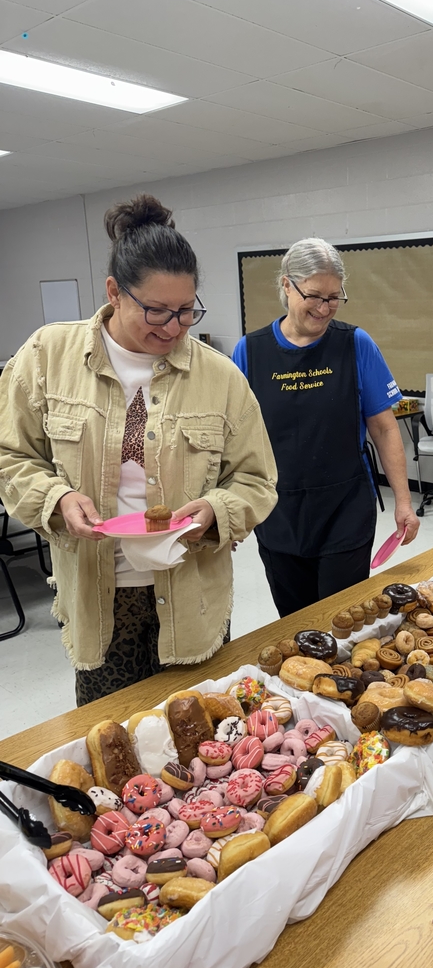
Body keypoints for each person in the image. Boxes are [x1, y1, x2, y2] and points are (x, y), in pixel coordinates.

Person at [0, 195, 278, 705]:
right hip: (99, 599)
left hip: (191, 594)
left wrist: (217, 510)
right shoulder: (46, 357)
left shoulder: (220, 377)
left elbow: (257, 480)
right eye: (155, 310)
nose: (172, 328)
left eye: (186, 312)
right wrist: (57, 498)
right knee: (113, 743)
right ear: (114, 292)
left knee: (201, 744)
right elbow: (11, 456)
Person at [232, 238, 419, 617]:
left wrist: (403, 500)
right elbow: (234, 437)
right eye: (314, 296)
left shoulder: (355, 344)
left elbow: (384, 429)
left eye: (334, 297)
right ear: (287, 286)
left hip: (344, 510)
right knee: (294, 622)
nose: (324, 308)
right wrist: (230, 509)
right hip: (278, 513)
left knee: (342, 620)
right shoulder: (250, 351)